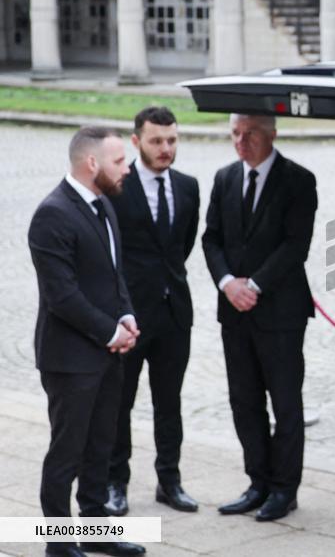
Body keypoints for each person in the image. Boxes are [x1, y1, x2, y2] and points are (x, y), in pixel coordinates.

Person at [28, 127, 146, 557]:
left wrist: (127, 315)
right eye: (120, 161)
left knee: (102, 447)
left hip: (106, 354)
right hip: (70, 359)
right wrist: (111, 332)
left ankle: (97, 533)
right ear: (91, 163)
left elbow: (114, 275)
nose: (128, 168)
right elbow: (62, 296)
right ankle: (58, 545)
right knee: (68, 452)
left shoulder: (104, 205)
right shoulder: (52, 214)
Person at [202, 114, 317, 522]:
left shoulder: (298, 180)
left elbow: (295, 245)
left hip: (281, 312)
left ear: (271, 134)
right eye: (234, 133)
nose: (241, 141)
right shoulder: (224, 178)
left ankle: (285, 490)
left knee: (285, 404)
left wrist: (256, 285)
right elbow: (210, 237)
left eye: (249, 133)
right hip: (234, 311)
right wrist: (228, 282)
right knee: (244, 402)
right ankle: (258, 482)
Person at [104, 107, 200, 516]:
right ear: (136, 141)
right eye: (157, 141)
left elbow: (183, 245)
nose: (165, 149)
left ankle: (170, 480)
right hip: (130, 316)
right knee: (119, 402)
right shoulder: (117, 189)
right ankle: (115, 483)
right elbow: (108, 254)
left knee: (169, 402)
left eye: (172, 141)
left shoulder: (189, 186)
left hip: (175, 313)